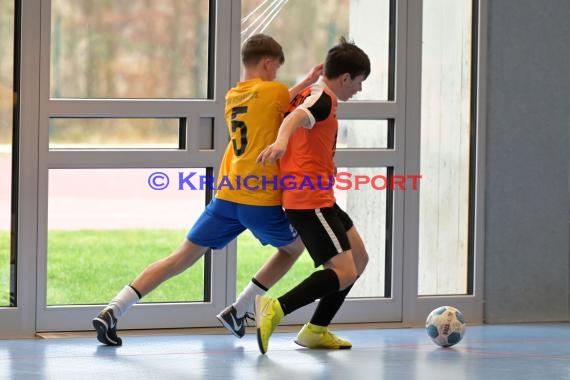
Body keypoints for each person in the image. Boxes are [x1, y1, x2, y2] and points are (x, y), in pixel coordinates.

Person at [92, 34, 322, 346]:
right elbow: (288, 110)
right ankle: (240, 309)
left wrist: (305, 79)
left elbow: (272, 108)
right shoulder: (275, 91)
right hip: (259, 196)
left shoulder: (233, 96)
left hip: (227, 195)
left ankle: (114, 309)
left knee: (180, 257)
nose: (278, 77)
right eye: (276, 69)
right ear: (268, 63)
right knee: (293, 249)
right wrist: (308, 84)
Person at [254, 37, 371, 354]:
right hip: (309, 200)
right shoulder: (322, 99)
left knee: (359, 259)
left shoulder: (310, 92)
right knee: (343, 271)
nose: (358, 90)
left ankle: (316, 330)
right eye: (358, 83)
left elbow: (287, 109)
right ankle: (276, 308)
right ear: (345, 77)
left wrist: (305, 80)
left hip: (320, 197)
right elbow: (293, 118)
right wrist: (280, 144)